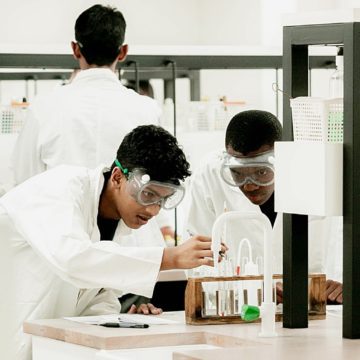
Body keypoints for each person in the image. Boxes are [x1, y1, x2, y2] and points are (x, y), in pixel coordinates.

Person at [1, 125, 226, 360]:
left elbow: (99, 298)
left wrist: (124, 321)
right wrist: (170, 257)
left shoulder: (124, 225)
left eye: (163, 200)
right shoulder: (59, 189)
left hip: (47, 347)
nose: (153, 210)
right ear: (118, 176)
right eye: (147, 195)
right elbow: (73, 260)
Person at [10, 4, 171, 313]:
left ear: (75, 49)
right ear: (122, 52)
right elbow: (159, 181)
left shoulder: (45, 108)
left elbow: (24, 186)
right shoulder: (145, 109)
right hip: (131, 264)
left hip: (64, 270)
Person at [186, 110, 343, 304]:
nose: (250, 184)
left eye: (261, 172)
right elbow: (199, 263)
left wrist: (345, 284)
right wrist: (246, 291)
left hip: (315, 308)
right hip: (244, 311)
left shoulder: (316, 173)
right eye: (238, 174)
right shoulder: (210, 175)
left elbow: (340, 240)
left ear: (283, 159)